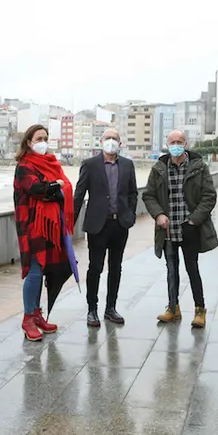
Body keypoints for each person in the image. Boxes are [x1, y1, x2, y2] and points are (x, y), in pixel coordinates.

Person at [142, 129, 218, 328]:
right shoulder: (159, 168)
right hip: (167, 229)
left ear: (186, 144)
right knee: (171, 270)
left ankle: (200, 309)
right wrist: (158, 214)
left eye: (180, 141)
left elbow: (209, 195)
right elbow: (148, 195)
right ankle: (173, 308)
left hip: (189, 227)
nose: (176, 144)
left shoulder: (198, 167)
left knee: (192, 268)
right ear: (167, 144)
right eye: (172, 141)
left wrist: (194, 219)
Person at [13, 124, 74, 341]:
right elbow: (36, 190)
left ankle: (37, 314)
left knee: (46, 269)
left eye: (45, 138)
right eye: (38, 138)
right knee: (34, 270)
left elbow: (65, 187)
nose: (43, 142)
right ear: (29, 142)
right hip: (31, 225)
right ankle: (28, 318)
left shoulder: (51, 163)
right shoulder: (24, 166)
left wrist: (54, 187)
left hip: (50, 226)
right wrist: (55, 187)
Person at [73, 128, 138, 327]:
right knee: (95, 267)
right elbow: (79, 194)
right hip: (97, 225)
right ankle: (92, 309)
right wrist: (70, 223)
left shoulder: (127, 165)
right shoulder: (90, 165)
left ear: (120, 143)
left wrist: (130, 214)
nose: (111, 141)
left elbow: (133, 193)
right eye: (108, 138)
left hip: (120, 224)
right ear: (101, 141)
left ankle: (111, 308)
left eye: (115, 139)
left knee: (116, 268)